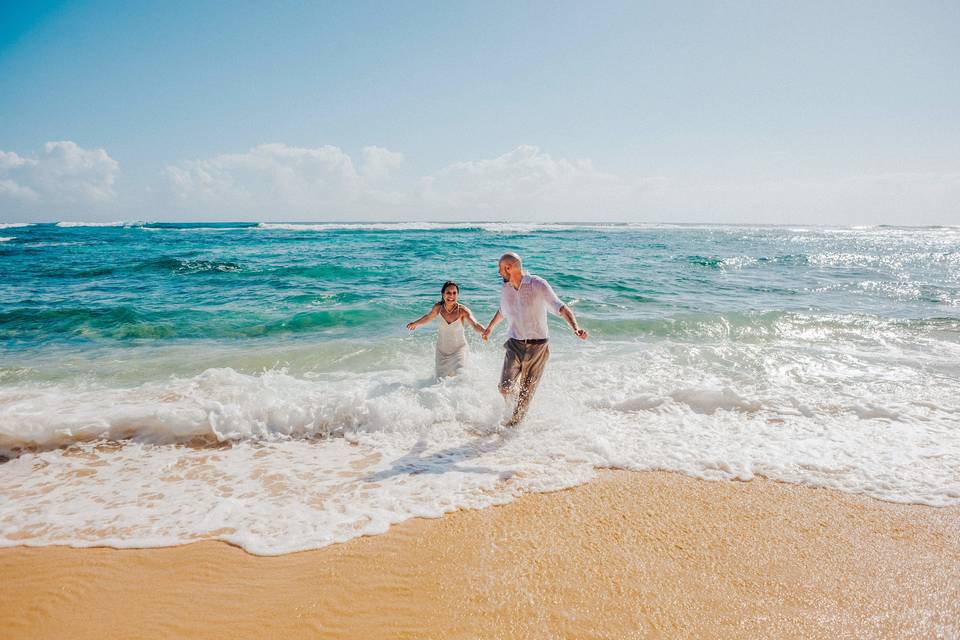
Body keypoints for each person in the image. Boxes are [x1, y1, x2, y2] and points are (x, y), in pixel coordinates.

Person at [482, 252, 588, 426]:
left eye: (500, 269)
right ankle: (510, 413)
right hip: (514, 344)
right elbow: (502, 310)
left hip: (538, 348)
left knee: (524, 399)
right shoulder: (506, 288)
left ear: (508, 268)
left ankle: (510, 436)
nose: (499, 273)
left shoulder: (537, 284)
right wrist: (489, 329)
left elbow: (560, 307)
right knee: (504, 388)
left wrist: (575, 328)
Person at [407, 281, 485, 378]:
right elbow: (428, 317)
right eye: (448, 293)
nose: (451, 296)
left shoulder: (462, 310)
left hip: (459, 350)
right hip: (442, 352)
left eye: (454, 293)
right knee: (440, 380)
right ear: (443, 294)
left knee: (460, 376)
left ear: (457, 295)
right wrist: (415, 323)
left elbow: (475, 324)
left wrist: (484, 331)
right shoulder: (438, 308)